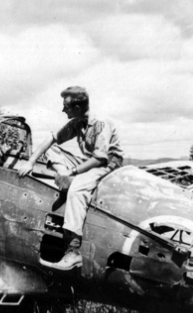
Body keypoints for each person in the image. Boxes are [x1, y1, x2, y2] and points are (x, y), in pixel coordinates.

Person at [18, 86, 123, 270]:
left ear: (76, 108)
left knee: (77, 190)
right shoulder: (78, 122)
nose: (62, 110)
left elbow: (100, 158)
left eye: (65, 106)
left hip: (107, 165)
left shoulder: (100, 124)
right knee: (52, 149)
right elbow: (51, 140)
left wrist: (72, 171)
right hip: (91, 161)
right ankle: (67, 183)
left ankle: (73, 251)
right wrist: (31, 162)